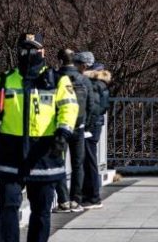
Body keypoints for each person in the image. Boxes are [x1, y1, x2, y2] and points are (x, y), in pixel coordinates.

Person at [0, 34, 78, 242]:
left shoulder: (57, 80)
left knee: (41, 210)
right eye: (25, 49)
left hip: (44, 154)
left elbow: (69, 108)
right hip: (11, 153)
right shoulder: (4, 80)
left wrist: (63, 134)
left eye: (34, 49)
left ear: (43, 52)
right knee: (8, 206)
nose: (29, 54)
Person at [52, 48, 96, 213]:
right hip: (79, 127)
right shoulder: (84, 80)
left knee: (59, 164)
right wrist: (86, 124)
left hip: (59, 127)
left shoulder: (55, 78)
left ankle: (63, 201)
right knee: (78, 165)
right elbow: (91, 105)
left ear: (60, 60)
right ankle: (76, 200)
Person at [75, 52, 110, 209]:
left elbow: (94, 107)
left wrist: (87, 125)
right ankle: (90, 195)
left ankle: (93, 197)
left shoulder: (93, 83)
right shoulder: (100, 81)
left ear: (85, 65)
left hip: (91, 125)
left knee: (88, 160)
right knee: (89, 159)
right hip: (95, 124)